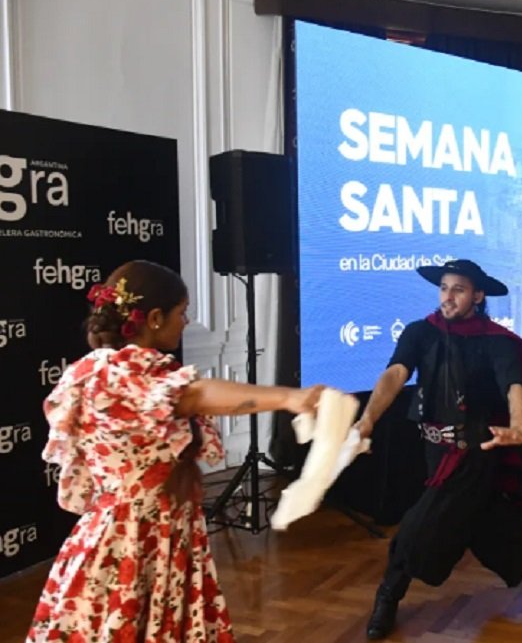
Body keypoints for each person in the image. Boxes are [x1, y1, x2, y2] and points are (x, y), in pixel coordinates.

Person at [26, 261, 325, 643]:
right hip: (133, 538)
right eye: (181, 313)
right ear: (153, 318)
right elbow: (195, 395)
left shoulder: (130, 372)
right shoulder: (114, 375)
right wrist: (289, 397)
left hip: (164, 533)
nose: (185, 322)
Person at [354, 259, 522, 640]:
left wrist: (519, 426)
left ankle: (387, 599)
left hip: (475, 455)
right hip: (434, 453)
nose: (448, 297)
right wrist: (368, 419)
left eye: (458, 289)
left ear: (478, 295)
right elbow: (395, 373)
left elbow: (515, 386)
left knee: (417, 531)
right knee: (493, 532)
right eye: (443, 288)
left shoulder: (495, 341)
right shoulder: (421, 332)